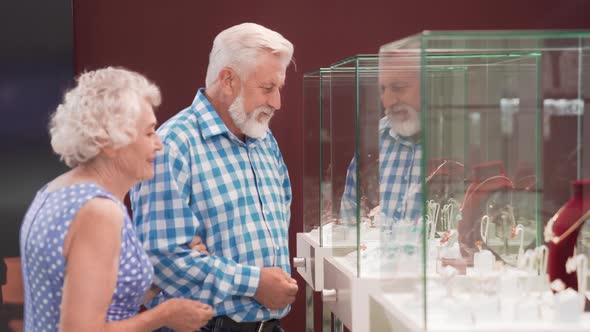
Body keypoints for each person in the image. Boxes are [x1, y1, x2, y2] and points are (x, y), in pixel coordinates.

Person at [130, 23, 298, 332]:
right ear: (228, 80)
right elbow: (162, 257)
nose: (277, 103)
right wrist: (255, 283)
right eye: (267, 88)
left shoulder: (263, 140)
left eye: (279, 89)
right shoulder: (173, 145)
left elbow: (280, 216)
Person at [19, 67, 213, 332]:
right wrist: (164, 315)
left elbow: (86, 293)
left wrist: (155, 286)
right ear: (108, 141)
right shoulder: (99, 212)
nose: (158, 144)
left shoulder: (53, 191)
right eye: (149, 133)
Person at [340, 52, 423, 226]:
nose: (387, 100)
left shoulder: (456, 139)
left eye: (398, 87)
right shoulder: (375, 138)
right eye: (382, 89)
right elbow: (349, 219)